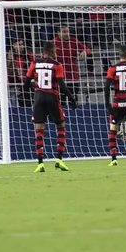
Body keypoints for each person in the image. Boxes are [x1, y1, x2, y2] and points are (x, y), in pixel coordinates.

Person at [23, 41, 77, 173]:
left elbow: (25, 83)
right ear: (52, 51)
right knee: (61, 127)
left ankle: (40, 163)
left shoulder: (35, 63)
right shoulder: (57, 65)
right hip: (52, 98)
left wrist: (35, 87)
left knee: (39, 130)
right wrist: (72, 99)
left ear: (43, 51)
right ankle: (59, 160)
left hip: (39, 99)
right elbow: (62, 87)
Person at [53, 25, 91, 104]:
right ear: (58, 33)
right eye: (64, 32)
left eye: (67, 31)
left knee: (73, 100)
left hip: (73, 76)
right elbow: (44, 56)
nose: (67, 34)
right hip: (59, 78)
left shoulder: (73, 41)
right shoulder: (53, 43)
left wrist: (84, 51)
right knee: (60, 101)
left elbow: (87, 49)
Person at [7, 38, 34, 107]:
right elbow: (8, 73)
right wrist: (10, 61)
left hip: (27, 85)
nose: (21, 46)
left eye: (22, 44)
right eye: (19, 45)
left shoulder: (29, 55)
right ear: (13, 46)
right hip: (14, 85)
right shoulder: (9, 56)